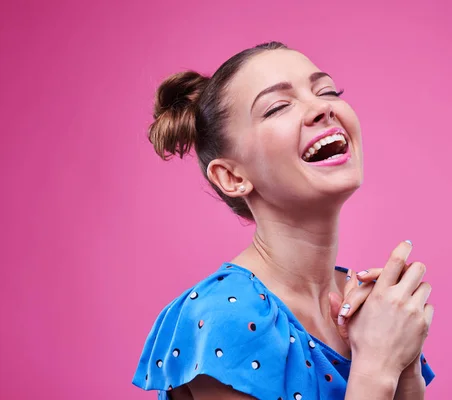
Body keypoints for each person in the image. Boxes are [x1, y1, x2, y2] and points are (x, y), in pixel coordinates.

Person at [132, 41, 435, 400]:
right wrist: (376, 366)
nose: (322, 107)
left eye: (326, 90)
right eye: (277, 107)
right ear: (232, 176)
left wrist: (406, 360)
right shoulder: (225, 316)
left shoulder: (366, 308)